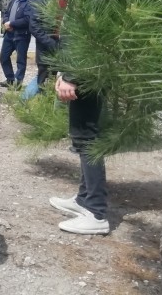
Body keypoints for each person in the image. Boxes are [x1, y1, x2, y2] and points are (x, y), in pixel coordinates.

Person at [50, 72, 110, 235]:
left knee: (88, 141)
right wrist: (64, 74)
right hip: (82, 77)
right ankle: (84, 198)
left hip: (86, 77)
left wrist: (71, 77)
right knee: (82, 138)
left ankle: (96, 212)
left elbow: (92, 58)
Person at [0, 0, 32, 88]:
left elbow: (27, 19)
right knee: (4, 57)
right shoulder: (14, 0)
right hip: (9, 34)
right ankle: (10, 79)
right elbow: (6, 13)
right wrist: (5, 22)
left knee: (20, 60)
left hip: (22, 35)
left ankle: (18, 83)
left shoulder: (30, 1)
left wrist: (12, 24)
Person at [28, 0, 59, 87]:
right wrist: (51, 43)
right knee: (44, 81)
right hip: (46, 47)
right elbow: (34, 26)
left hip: (68, 49)